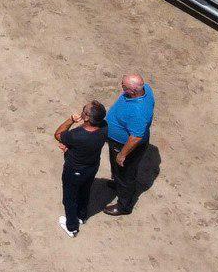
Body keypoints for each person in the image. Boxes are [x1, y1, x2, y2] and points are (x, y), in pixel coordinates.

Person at [55, 99, 108, 236]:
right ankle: (82, 216)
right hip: (92, 166)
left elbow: (58, 134)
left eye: (84, 109)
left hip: (74, 170)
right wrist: (70, 147)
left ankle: (72, 227)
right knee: (85, 191)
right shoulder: (104, 127)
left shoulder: (77, 135)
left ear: (86, 117)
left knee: (69, 198)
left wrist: (71, 120)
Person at [105, 73, 155, 216]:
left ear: (133, 91)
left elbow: (136, 137)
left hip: (125, 146)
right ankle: (117, 184)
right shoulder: (145, 89)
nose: (121, 87)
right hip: (118, 142)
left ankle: (124, 206)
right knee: (117, 169)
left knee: (125, 174)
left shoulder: (138, 112)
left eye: (124, 86)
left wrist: (122, 154)